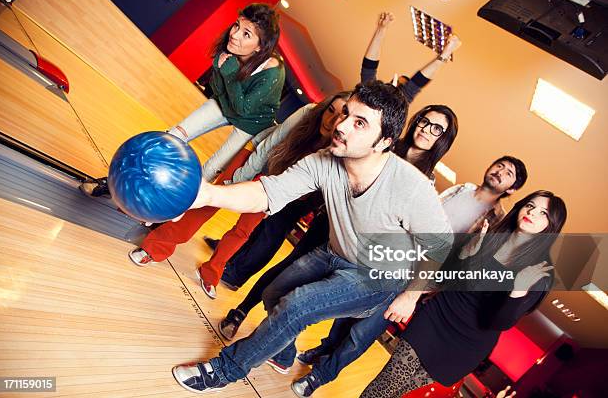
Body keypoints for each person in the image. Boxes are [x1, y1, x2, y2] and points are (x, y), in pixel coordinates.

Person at [170, 80, 453, 393]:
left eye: (360, 123)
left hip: (379, 276)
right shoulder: (324, 160)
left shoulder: (411, 187)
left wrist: (410, 295)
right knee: (273, 294)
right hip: (335, 252)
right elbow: (266, 193)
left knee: (297, 306)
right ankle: (284, 351)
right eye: (346, 113)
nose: (341, 125)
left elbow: (440, 247)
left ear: (383, 142)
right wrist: (207, 193)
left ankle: (224, 370)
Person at [218, 104, 459, 341]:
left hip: (359, 249)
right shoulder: (385, 144)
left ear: (443, 140)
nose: (426, 129)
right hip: (332, 222)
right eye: (424, 121)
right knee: (290, 267)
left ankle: (278, 342)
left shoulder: (425, 182)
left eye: (437, 129)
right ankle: (241, 311)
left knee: (308, 296)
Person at [291, 156, 528, 396]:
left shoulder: (496, 222)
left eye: (508, 173)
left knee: (363, 332)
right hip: (396, 258)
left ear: (512, 188)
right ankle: (325, 349)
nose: (500, 171)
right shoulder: (462, 189)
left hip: (419, 280)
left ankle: (318, 376)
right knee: (348, 312)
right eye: (499, 165)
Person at [359, 190, 567, 398]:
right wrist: (466, 255)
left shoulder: (539, 272)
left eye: (543, 213)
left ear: (551, 226)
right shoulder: (491, 237)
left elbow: (499, 322)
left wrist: (517, 291)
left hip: (466, 346)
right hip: (436, 317)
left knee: (397, 393)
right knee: (385, 384)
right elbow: (448, 278)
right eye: (530, 205)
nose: (532, 212)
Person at [125, 91, 350, 281]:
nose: (331, 120)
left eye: (342, 116)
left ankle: (211, 273)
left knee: (244, 230)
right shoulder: (308, 112)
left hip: (276, 182)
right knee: (209, 202)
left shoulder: (337, 149)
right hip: (255, 156)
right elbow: (269, 146)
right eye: (331, 110)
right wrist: (239, 177)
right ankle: (155, 247)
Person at [80, 3, 285, 195]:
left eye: (246, 34)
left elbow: (242, 108)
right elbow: (216, 88)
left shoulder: (273, 71)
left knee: (209, 170)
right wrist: (222, 72)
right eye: (237, 26)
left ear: (260, 47)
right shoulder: (230, 49)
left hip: (250, 123)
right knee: (171, 136)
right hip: (226, 103)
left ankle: (168, 210)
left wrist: (228, 72)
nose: (235, 35)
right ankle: (116, 182)